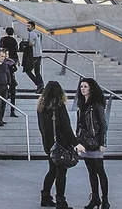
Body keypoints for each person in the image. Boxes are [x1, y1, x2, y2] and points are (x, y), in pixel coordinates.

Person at [37, 81, 80, 209]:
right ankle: (61, 201)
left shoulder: (41, 107)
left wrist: (47, 143)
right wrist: (75, 143)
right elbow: (66, 127)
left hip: (49, 144)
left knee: (52, 170)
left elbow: (41, 127)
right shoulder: (59, 106)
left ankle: (45, 197)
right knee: (61, 172)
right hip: (61, 144)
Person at [76, 78, 109, 209]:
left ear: (91, 88)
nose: (83, 89)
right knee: (91, 171)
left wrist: (103, 143)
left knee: (100, 171)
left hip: (95, 142)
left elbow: (103, 124)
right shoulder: (81, 105)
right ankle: (95, 198)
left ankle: (105, 200)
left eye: (85, 86)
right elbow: (80, 125)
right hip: (85, 142)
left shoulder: (96, 105)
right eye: (81, 86)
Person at [25, 21, 45, 94]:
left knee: (27, 70)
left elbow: (31, 43)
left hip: (34, 55)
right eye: (27, 26)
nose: (27, 28)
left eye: (29, 26)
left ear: (33, 27)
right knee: (37, 72)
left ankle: (39, 83)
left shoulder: (32, 33)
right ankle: (40, 84)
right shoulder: (37, 33)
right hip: (38, 54)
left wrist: (26, 44)